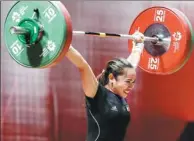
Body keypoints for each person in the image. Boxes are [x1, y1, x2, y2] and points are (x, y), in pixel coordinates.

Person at [65, 31, 145, 141]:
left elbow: (132, 65)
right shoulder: (96, 93)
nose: (131, 86)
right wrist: (63, 45)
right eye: (128, 82)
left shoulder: (120, 94)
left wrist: (138, 46)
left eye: (133, 82)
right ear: (112, 78)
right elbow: (83, 65)